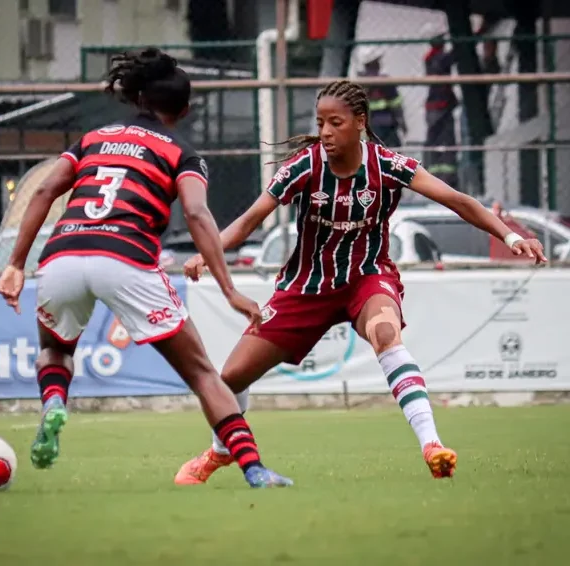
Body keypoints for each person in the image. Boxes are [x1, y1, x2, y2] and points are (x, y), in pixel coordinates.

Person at [174, 78, 547, 485]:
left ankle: (432, 445)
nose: (326, 132)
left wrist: (511, 236)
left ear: (360, 122)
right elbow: (249, 220)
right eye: (320, 123)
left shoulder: (388, 165)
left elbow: (460, 201)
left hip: (367, 279)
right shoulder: (304, 167)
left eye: (335, 122)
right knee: (231, 379)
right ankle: (221, 451)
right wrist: (207, 255)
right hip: (306, 288)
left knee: (386, 333)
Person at [0, 48, 292, 489]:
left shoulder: (92, 139)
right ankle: (254, 469)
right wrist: (229, 289)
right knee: (202, 373)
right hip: (126, 259)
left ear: (135, 98)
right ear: (186, 110)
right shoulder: (182, 153)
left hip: (62, 255)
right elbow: (196, 214)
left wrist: (15, 264)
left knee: (56, 350)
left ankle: (55, 401)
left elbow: (43, 193)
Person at [422, 23, 459, 187]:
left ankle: (439, 176)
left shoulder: (432, 57)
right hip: (440, 105)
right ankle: (444, 178)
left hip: (438, 105)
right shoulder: (436, 58)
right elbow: (455, 56)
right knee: (445, 140)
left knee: (437, 141)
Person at [357, 46, 407, 148]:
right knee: (393, 152)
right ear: (374, 63)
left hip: (368, 125)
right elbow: (396, 104)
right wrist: (402, 123)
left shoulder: (359, 82)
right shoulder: (385, 81)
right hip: (386, 123)